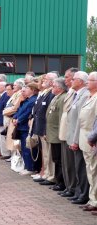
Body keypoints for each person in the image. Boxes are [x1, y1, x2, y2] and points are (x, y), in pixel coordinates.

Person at [67, 71, 90, 205]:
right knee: (77, 167)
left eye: (74, 79)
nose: (71, 81)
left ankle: (83, 194)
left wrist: (75, 140)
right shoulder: (77, 95)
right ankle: (78, 192)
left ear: (81, 81)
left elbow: (80, 121)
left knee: (81, 168)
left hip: (80, 137)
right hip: (75, 136)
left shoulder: (85, 95)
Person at [57, 67, 78, 198]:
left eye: (68, 77)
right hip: (65, 132)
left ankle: (73, 188)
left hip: (72, 133)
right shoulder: (71, 92)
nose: (65, 80)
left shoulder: (80, 94)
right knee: (66, 163)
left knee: (71, 164)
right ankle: (69, 186)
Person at [77, 71, 97, 212]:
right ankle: (92, 199)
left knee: (93, 171)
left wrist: (92, 138)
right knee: (90, 171)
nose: (87, 82)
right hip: (85, 138)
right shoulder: (89, 97)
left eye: (89, 80)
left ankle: (94, 201)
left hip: (92, 140)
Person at [45, 77, 67, 191]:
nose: (52, 88)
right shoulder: (56, 97)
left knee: (59, 160)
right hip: (52, 133)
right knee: (55, 159)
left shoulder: (62, 98)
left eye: (54, 86)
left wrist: (60, 134)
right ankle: (58, 181)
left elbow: (60, 119)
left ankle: (61, 182)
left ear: (59, 88)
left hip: (57, 134)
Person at [12, 83, 39, 175]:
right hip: (21, 126)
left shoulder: (33, 100)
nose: (24, 90)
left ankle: (30, 168)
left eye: (27, 88)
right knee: (24, 147)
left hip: (26, 127)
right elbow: (19, 110)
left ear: (33, 90)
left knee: (28, 148)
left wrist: (18, 120)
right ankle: (27, 166)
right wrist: (15, 118)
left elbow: (27, 113)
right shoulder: (27, 100)